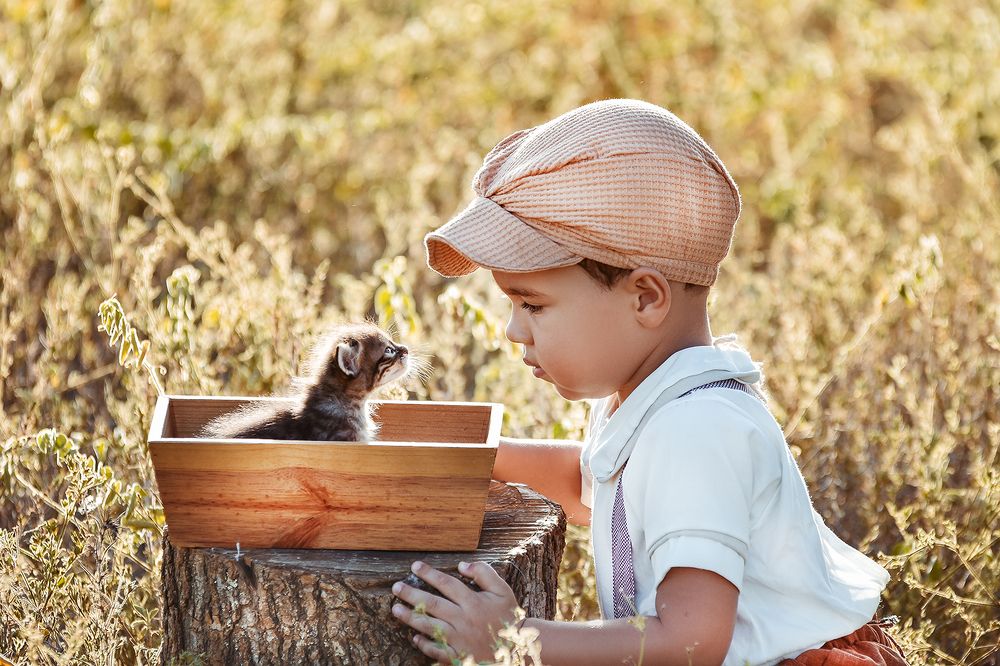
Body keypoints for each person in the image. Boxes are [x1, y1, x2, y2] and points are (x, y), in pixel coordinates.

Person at [390, 99, 909, 666]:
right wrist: (471, 456)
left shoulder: (697, 430)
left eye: (532, 304)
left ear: (645, 297)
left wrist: (515, 642)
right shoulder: (657, 399)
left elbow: (690, 641)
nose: (514, 331)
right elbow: (591, 484)